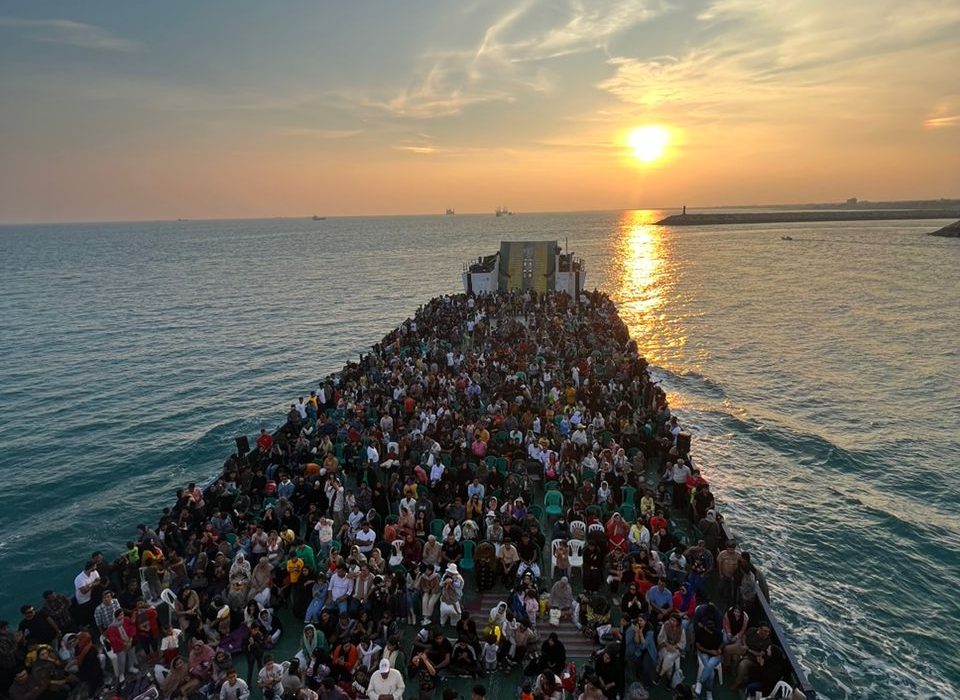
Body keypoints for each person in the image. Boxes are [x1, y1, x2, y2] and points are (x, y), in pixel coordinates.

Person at [694, 617, 723, 699]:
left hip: (716, 655)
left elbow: (722, 643)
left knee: (710, 664)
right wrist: (710, 651)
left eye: (706, 628)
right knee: (712, 673)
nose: (705, 628)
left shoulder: (718, 633)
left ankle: (700, 682)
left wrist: (720, 649)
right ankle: (709, 691)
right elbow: (698, 646)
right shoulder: (700, 632)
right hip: (704, 653)